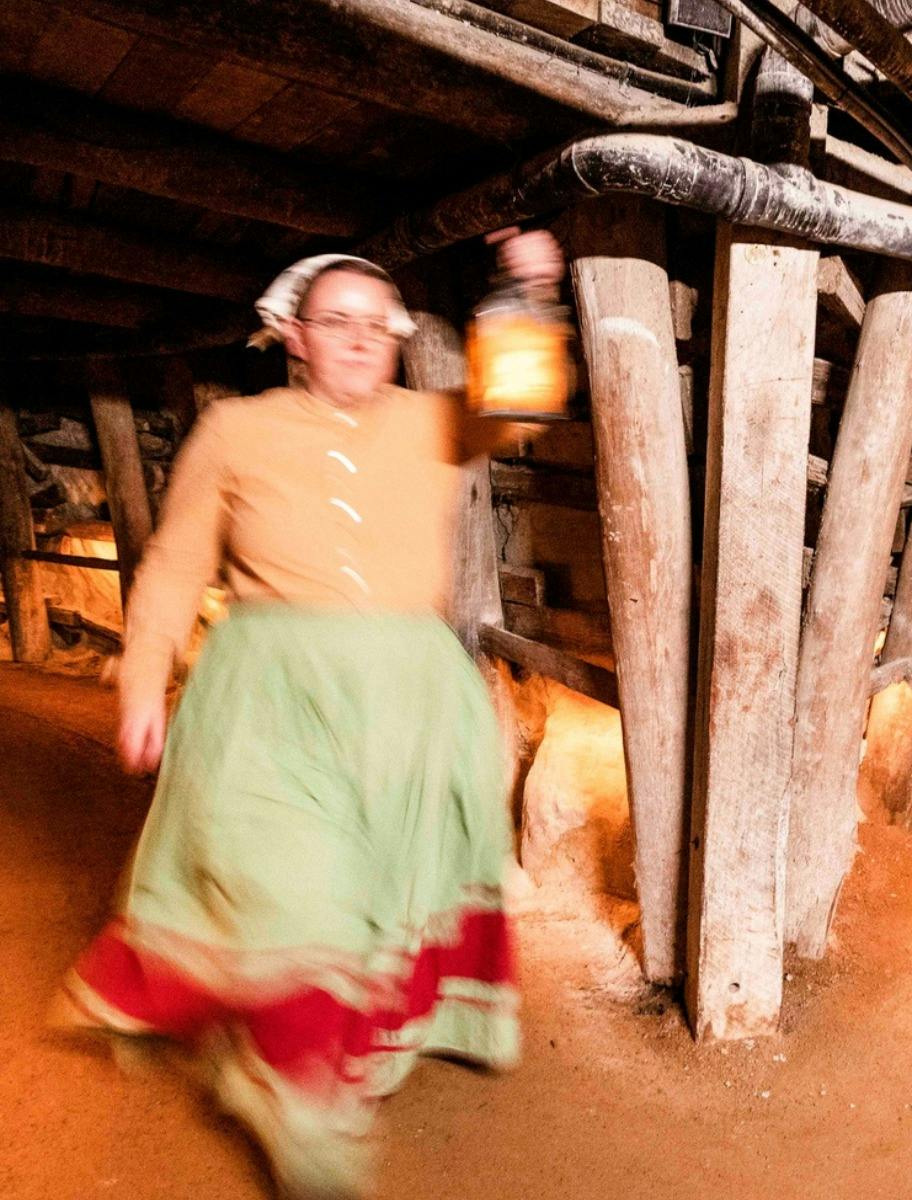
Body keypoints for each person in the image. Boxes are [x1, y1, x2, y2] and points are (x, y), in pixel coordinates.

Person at [59, 231, 564, 1199]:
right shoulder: (232, 436)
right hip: (270, 696)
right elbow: (173, 563)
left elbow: (521, 403)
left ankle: (343, 1043)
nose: (361, 341)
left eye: (378, 326)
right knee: (298, 886)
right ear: (292, 334)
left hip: (409, 703)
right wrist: (142, 681)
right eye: (338, 323)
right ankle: (299, 1104)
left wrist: (528, 289)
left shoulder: (432, 420)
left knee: (385, 887)